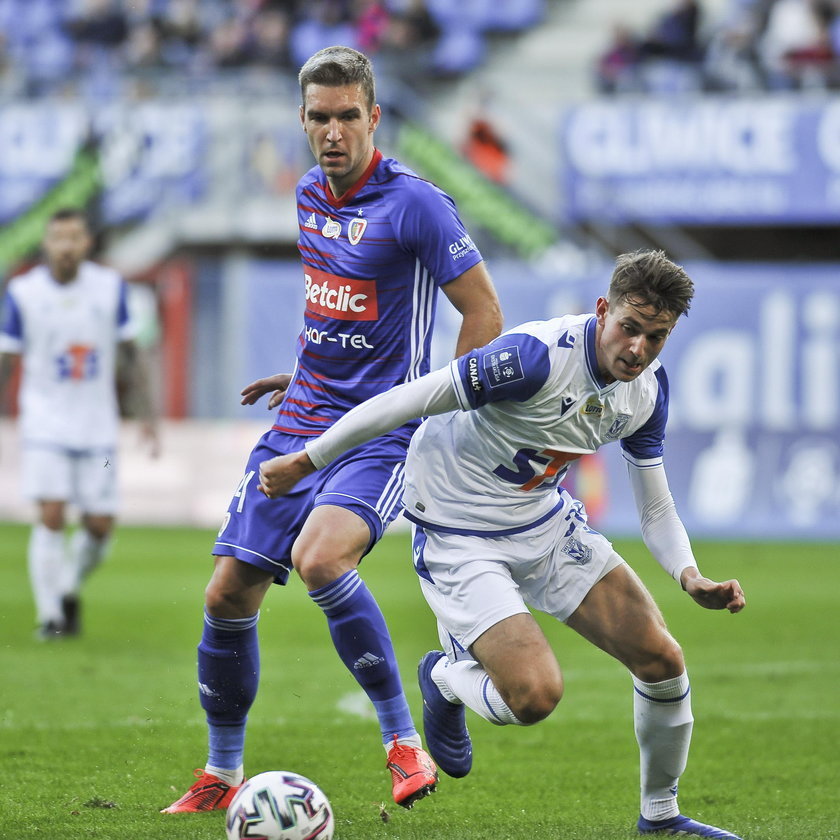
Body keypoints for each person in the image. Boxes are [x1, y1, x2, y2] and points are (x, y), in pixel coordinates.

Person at [257, 250, 746, 839]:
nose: (638, 350)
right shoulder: (532, 358)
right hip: (459, 534)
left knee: (663, 660)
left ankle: (661, 818)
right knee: (535, 696)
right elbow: (411, 400)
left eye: (656, 338)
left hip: (542, 522)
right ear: (601, 312)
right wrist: (307, 460)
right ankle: (443, 677)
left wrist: (690, 575)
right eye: (630, 329)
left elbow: (656, 502)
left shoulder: (645, 392)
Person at [161, 45, 502, 814]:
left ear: (374, 117)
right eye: (319, 117)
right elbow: (341, 308)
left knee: (320, 559)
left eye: (349, 116)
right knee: (225, 593)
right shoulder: (309, 193)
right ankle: (220, 774)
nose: (334, 132)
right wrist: (304, 369)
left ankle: (402, 744)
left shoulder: (418, 204)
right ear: (303, 121)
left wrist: (440, 411)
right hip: (301, 413)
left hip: (378, 434)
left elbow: (483, 312)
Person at [0, 207, 158, 639]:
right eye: (58, 238)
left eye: (74, 238)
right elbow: (7, 359)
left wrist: (149, 415)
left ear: (86, 243)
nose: (66, 246)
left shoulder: (109, 288)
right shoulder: (23, 292)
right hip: (44, 425)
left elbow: (131, 352)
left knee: (100, 525)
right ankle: (50, 615)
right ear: (46, 243)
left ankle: (67, 588)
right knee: (51, 513)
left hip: (97, 428)